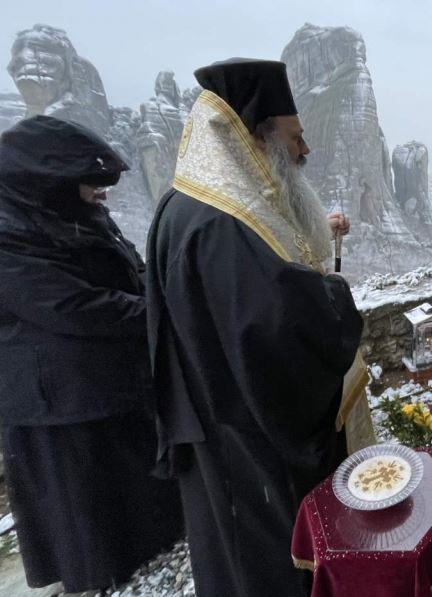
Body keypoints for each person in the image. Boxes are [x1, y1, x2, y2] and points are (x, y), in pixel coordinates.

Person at [146, 58, 369, 597]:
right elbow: (278, 332)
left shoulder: (188, 203)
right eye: (294, 136)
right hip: (246, 439)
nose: (304, 150)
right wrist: (334, 297)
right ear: (255, 137)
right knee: (268, 565)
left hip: (216, 421)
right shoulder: (223, 223)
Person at [0, 115, 183, 596]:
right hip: (59, 398)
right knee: (88, 507)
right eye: (89, 182)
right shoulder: (8, 233)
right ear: (49, 182)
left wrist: (163, 294)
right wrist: (163, 312)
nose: (100, 193)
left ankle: (148, 558)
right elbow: (72, 306)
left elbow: (131, 269)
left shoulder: (74, 213)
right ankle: (105, 577)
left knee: (139, 499)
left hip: (108, 379)